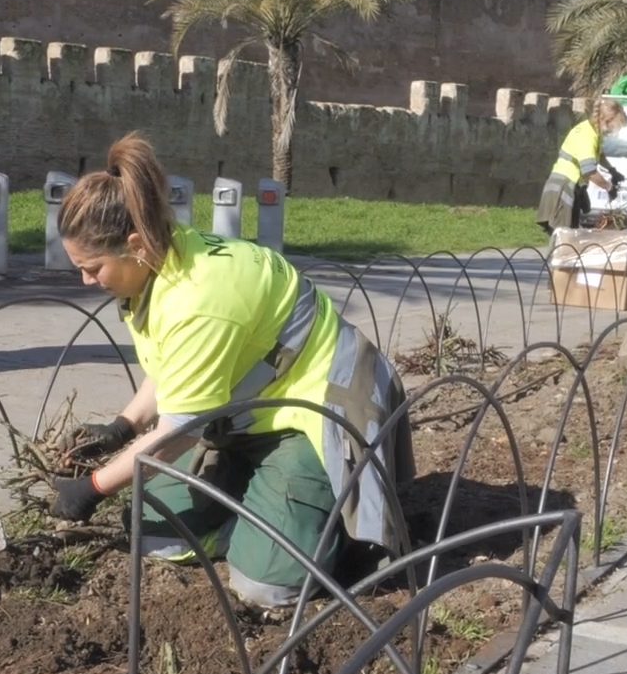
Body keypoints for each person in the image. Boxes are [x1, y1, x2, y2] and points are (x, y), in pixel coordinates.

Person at [47, 134, 412, 608]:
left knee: (267, 587)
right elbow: (177, 366)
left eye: (92, 268)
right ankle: (259, 514)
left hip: (314, 415)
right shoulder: (165, 259)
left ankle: (328, 537)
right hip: (249, 421)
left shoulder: (199, 299)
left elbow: (178, 431)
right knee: (150, 532)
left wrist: (91, 489)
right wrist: (124, 425)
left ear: (135, 245)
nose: (86, 281)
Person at [537, 98, 627, 234]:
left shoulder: (593, 131)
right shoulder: (587, 136)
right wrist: (608, 187)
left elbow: (599, 155)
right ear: (607, 120)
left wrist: (612, 170)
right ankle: (556, 255)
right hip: (563, 187)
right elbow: (589, 172)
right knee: (563, 236)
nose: (611, 132)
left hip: (569, 185)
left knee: (570, 235)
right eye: (613, 127)